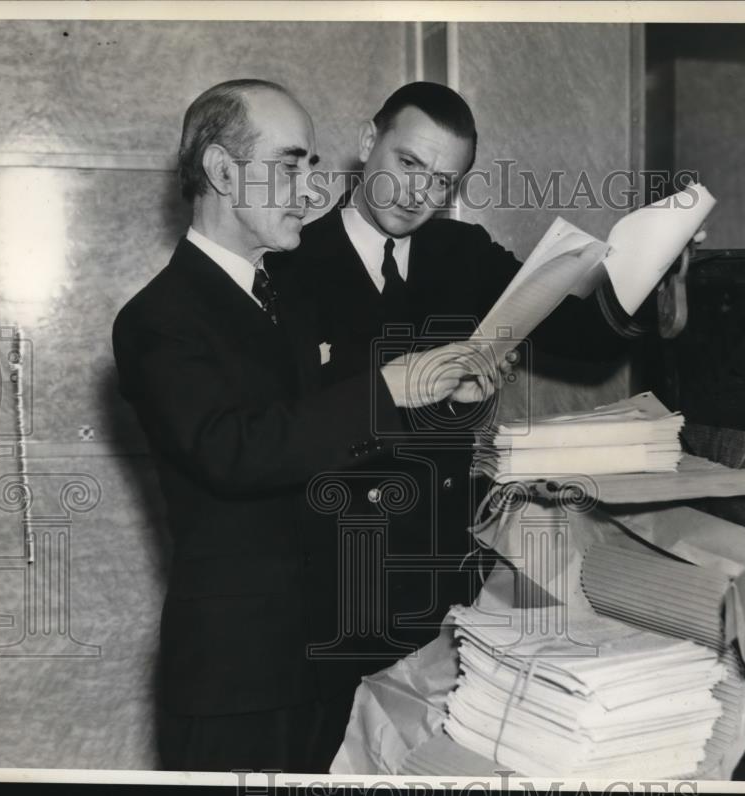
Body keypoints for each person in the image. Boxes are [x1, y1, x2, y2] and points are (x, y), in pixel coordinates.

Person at [111, 79, 495, 774]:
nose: (311, 187)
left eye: (313, 165)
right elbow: (236, 450)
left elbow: (329, 428)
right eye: (290, 164)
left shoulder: (280, 300)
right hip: (238, 680)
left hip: (325, 658)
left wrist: (439, 392)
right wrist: (387, 387)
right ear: (223, 172)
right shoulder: (159, 318)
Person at [265, 82, 627, 714]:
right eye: (408, 164)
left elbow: (589, 342)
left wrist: (656, 267)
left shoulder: (464, 253)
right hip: (331, 587)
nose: (419, 195)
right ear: (366, 142)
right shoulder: (288, 264)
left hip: (443, 584)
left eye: (442, 182)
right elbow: (280, 432)